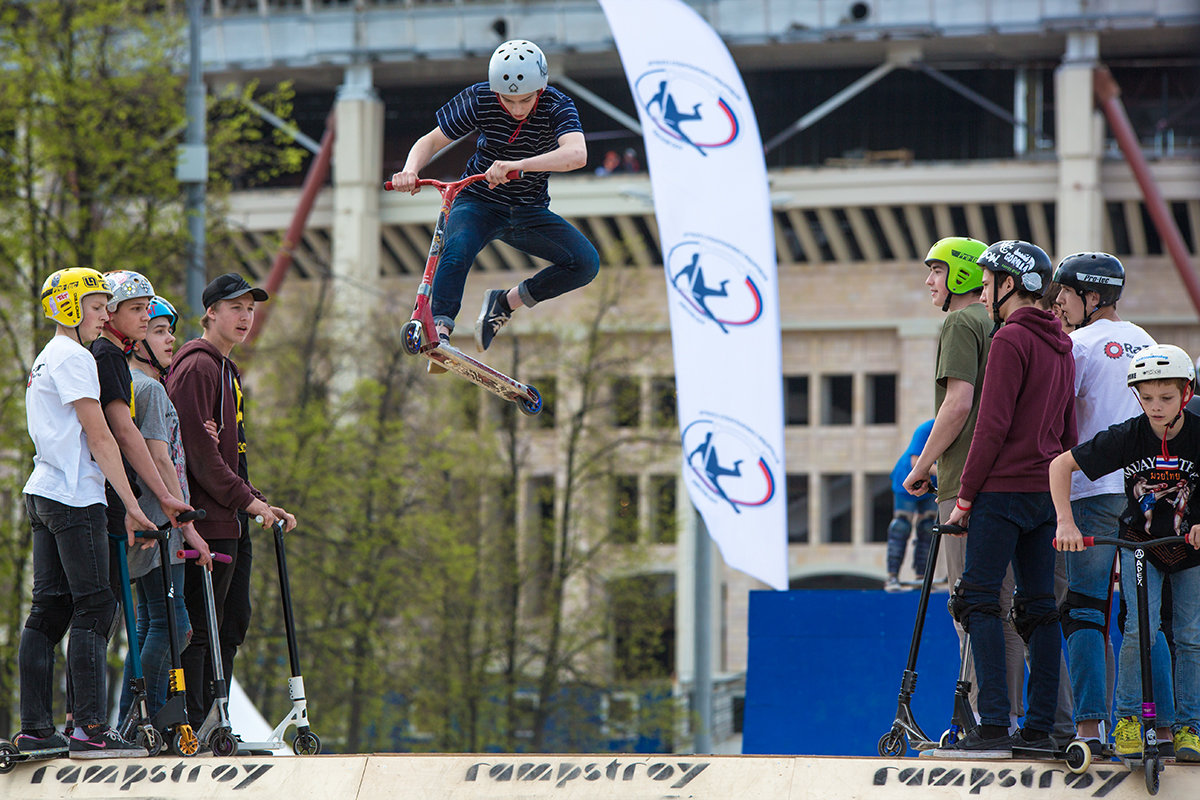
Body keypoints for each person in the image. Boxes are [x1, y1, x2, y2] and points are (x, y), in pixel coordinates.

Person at [942, 239, 1076, 755]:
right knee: (1040, 608)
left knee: (977, 600)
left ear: (1009, 285)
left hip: (1000, 493)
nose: (982, 290)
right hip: (1046, 494)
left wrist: (965, 498)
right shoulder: (1061, 345)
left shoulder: (1009, 340)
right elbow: (1069, 431)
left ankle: (994, 724)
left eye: (988, 281)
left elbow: (991, 427)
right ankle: (1040, 729)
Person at [17, 268, 156, 759]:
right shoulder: (75, 357)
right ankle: (91, 730)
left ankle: (35, 728)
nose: (103, 315)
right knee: (96, 606)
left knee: (48, 611)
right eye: (96, 306)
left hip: (42, 492)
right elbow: (101, 437)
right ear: (72, 310)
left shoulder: (45, 357)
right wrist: (134, 507)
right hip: (75, 497)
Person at [388, 39, 598, 362]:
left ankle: (505, 303)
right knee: (457, 248)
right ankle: (439, 331)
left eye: (525, 100)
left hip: (529, 210)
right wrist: (409, 170)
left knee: (585, 263)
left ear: (539, 91)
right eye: (507, 100)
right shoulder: (480, 99)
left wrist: (519, 166)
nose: (516, 109)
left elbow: (577, 154)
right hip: (478, 202)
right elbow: (430, 141)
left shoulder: (557, 106)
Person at [1052, 343, 1200, 762]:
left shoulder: (1199, 433)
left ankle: (1191, 727)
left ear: (1186, 394)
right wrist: (1066, 522)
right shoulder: (1129, 435)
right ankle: (1129, 721)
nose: (1156, 407)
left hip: (1190, 551)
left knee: (1190, 637)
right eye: (1147, 397)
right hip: (1141, 548)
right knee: (1140, 630)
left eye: (1166, 398)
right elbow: (1060, 466)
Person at [903, 236, 1027, 732]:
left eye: (935, 271)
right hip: (1009, 486)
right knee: (1007, 610)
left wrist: (922, 466)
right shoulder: (998, 325)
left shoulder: (960, 321)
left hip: (962, 485)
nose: (928, 282)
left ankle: (976, 717)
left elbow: (957, 404)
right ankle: (1011, 718)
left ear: (958, 275)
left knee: (968, 607)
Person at [167, 273, 296, 729]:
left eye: (251, 308)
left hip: (232, 518)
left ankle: (216, 721)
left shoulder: (226, 368)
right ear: (211, 313)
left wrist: (259, 501)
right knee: (202, 628)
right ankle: (195, 725)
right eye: (236, 308)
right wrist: (248, 502)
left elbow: (229, 454)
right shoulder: (198, 366)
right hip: (206, 522)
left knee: (233, 621)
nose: (246, 317)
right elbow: (199, 457)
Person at [1052, 253, 1158, 756]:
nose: (1060, 303)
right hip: (1147, 494)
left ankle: (1089, 730)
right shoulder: (1148, 341)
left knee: (1085, 610)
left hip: (1092, 490)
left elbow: (1057, 416)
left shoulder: (1076, 345)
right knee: (1141, 614)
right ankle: (1146, 726)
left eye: (1066, 295)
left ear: (1090, 297)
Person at [119, 295, 213, 724]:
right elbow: (159, 457)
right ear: (136, 341)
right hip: (160, 521)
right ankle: (149, 719)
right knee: (174, 626)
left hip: (143, 518)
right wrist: (186, 522)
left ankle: (130, 719)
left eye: (169, 329)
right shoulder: (151, 389)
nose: (170, 338)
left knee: (147, 625)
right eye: (158, 331)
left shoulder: (127, 385)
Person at [885, 419, 938, 591]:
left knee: (928, 527)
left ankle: (921, 576)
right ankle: (892, 576)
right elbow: (916, 461)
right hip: (908, 479)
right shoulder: (926, 429)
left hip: (932, 484)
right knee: (901, 525)